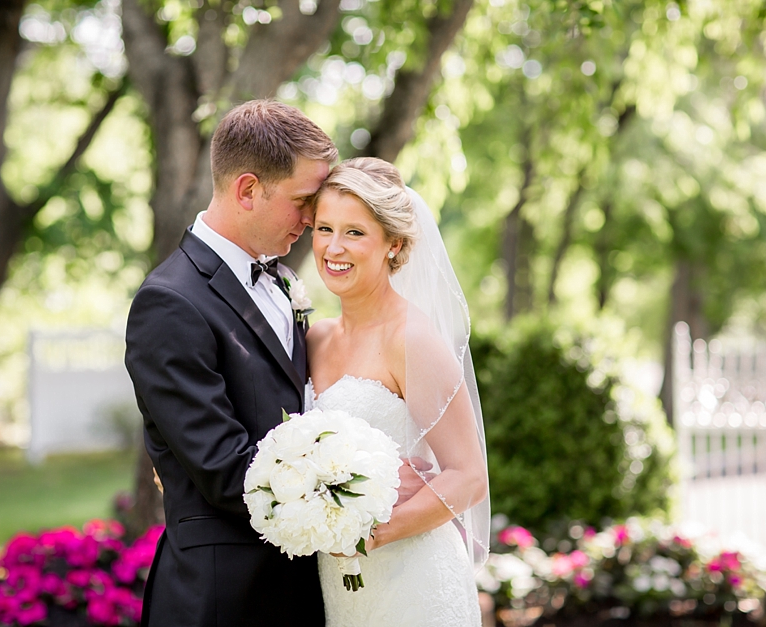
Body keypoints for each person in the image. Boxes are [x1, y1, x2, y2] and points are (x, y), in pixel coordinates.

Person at [123, 100, 337, 626]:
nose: (313, 220)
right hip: (224, 600)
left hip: (302, 590)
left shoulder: (284, 283)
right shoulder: (170, 302)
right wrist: (353, 497)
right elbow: (223, 470)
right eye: (303, 200)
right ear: (247, 190)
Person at [307, 157, 491, 626]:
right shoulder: (313, 339)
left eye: (354, 232)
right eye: (324, 227)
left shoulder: (412, 339)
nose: (333, 247)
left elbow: (469, 476)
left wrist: (368, 534)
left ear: (396, 244)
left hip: (412, 580)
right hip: (340, 586)